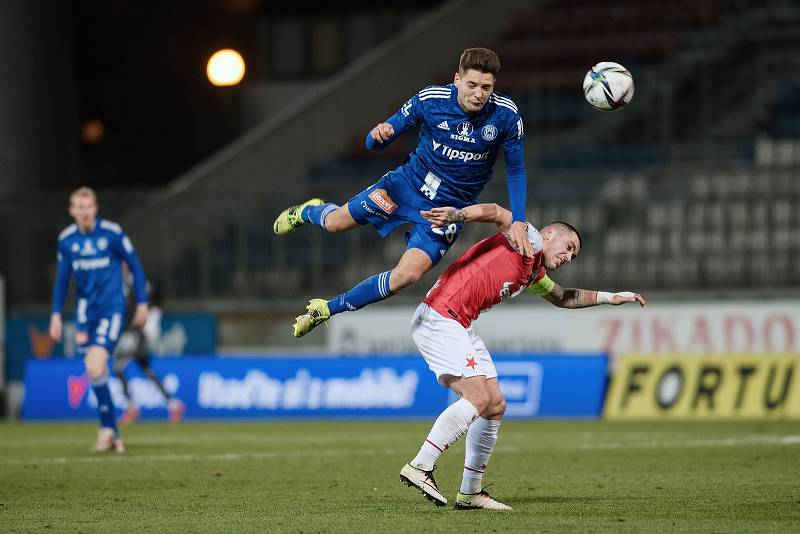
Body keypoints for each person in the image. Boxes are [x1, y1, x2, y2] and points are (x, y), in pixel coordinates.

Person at [399, 203, 646, 510]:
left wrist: (611, 298)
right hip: (440, 317)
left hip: (459, 323)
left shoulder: (533, 271)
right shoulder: (525, 236)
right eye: (569, 247)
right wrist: (458, 216)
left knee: (495, 405)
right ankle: (421, 465)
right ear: (550, 233)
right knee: (478, 398)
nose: (569, 257)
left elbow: (562, 297)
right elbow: (496, 212)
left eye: (574, 255)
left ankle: (470, 492)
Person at [273, 47, 532, 337]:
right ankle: (307, 210)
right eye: (472, 85)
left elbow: (516, 170)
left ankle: (326, 309)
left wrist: (519, 220)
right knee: (334, 223)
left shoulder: (506, 116)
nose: (478, 94)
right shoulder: (430, 100)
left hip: (445, 213)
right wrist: (377, 135)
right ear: (457, 79)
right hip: (404, 187)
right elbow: (375, 142)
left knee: (405, 277)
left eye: (486, 87)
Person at [49, 187, 148, 453]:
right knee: (97, 371)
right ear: (72, 211)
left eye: (89, 206)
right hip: (85, 314)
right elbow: (62, 279)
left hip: (112, 309)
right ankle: (111, 432)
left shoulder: (112, 234)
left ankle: (108, 430)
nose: (85, 212)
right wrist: (56, 314)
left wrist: (142, 303)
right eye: (79, 207)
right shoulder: (66, 240)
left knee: (95, 365)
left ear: (96, 208)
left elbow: (136, 266)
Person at [113, 267, 185, 425]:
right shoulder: (122, 282)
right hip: (131, 331)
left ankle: (131, 407)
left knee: (119, 367)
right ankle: (174, 404)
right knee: (144, 369)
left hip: (137, 331)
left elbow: (151, 302)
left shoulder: (136, 281)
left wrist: (151, 321)